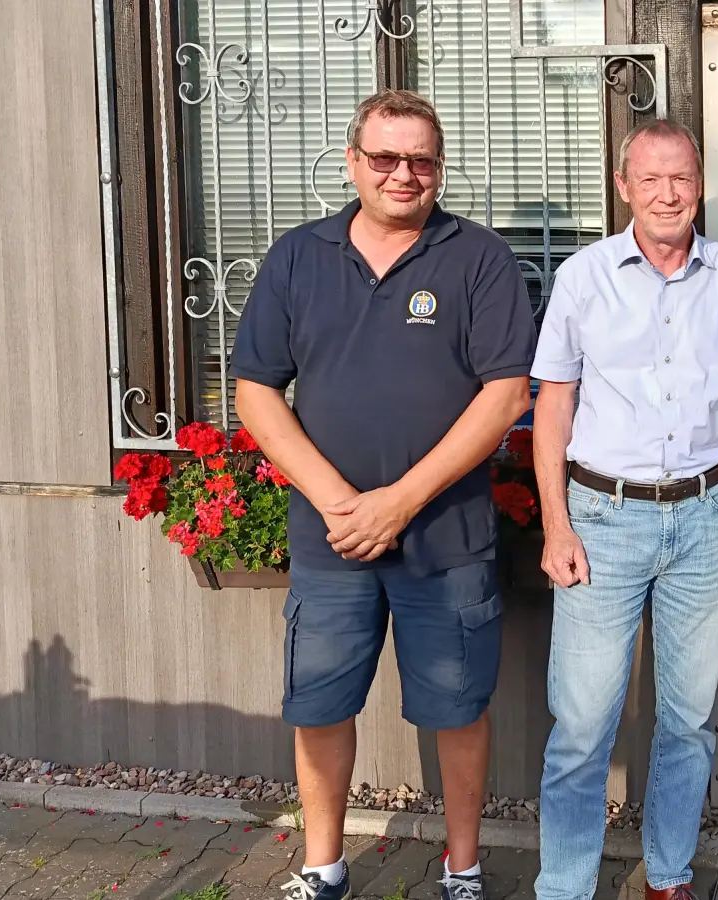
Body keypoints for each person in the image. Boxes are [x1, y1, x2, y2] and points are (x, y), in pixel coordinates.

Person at [233, 90, 536, 900]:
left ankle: (463, 869)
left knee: (456, 709)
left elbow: (507, 395)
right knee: (320, 705)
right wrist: (341, 502)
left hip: (446, 539)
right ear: (352, 162)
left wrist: (399, 501)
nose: (405, 174)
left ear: (439, 168)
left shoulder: (479, 259)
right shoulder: (298, 258)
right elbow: (256, 392)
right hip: (331, 543)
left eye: (422, 160)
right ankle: (324, 867)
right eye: (386, 158)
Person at [530, 119, 718, 900]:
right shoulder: (584, 277)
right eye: (652, 179)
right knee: (581, 728)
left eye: (684, 179)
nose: (669, 194)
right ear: (624, 187)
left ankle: (667, 878)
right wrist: (556, 523)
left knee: (691, 722)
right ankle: (564, 887)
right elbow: (554, 408)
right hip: (602, 518)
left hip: (707, 516)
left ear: (699, 187)